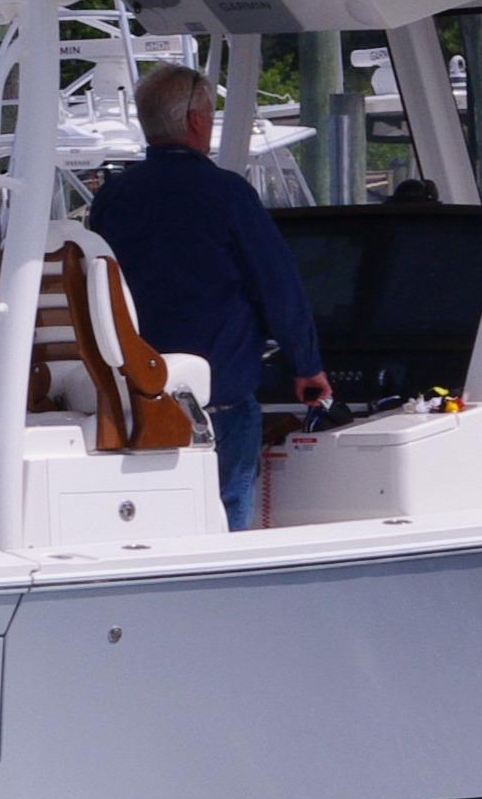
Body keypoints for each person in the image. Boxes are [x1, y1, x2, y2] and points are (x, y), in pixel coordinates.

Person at [87, 63, 330, 529]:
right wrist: (307, 365)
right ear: (197, 121)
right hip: (218, 399)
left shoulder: (112, 198)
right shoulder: (227, 194)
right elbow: (276, 285)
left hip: (138, 397)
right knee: (227, 508)